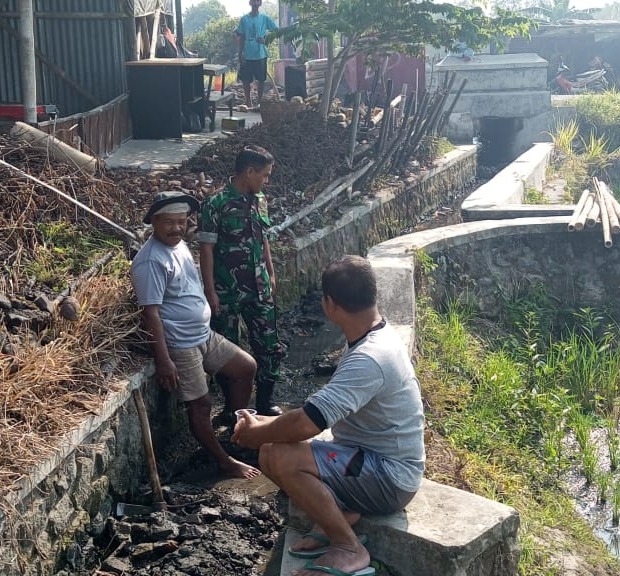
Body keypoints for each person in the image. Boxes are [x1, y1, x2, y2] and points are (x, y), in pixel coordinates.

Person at [233, 255, 425, 576]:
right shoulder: (373, 336)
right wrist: (264, 426)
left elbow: (307, 424)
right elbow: (312, 415)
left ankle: (349, 547)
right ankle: (340, 516)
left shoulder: (369, 358)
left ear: (329, 304)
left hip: (391, 477)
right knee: (271, 449)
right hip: (370, 459)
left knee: (280, 455)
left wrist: (256, 431)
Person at [130, 191, 260, 479]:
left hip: (203, 334)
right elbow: (150, 314)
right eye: (169, 223)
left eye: (182, 221)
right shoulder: (150, 261)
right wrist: (163, 361)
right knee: (200, 405)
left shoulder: (179, 246)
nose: (176, 228)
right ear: (154, 222)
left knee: (245, 367)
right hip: (180, 343)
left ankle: (234, 428)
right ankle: (223, 461)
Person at [199, 146, 284, 419]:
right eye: (265, 175)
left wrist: (270, 272)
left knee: (269, 345)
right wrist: (211, 291)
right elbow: (206, 250)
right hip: (228, 292)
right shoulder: (216, 204)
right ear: (249, 172)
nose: (266, 181)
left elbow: (263, 239)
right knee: (228, 350)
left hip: (259, 288)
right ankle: (230, 408)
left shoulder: (260, 199)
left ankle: (265, 402)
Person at [236, 0, 278, 109]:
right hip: (247, 55)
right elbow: (241, 37)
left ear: (260, 4)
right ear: (250, 3)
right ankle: (248, 102)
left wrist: (265, 39)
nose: (255, 3)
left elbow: (276, 31)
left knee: (261, 79)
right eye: (253, 1)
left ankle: (259, 102)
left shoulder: (264, 18)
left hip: (261, 54)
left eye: (258, 1)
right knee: (246, 79)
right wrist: (240, 54)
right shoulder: (244, 19)